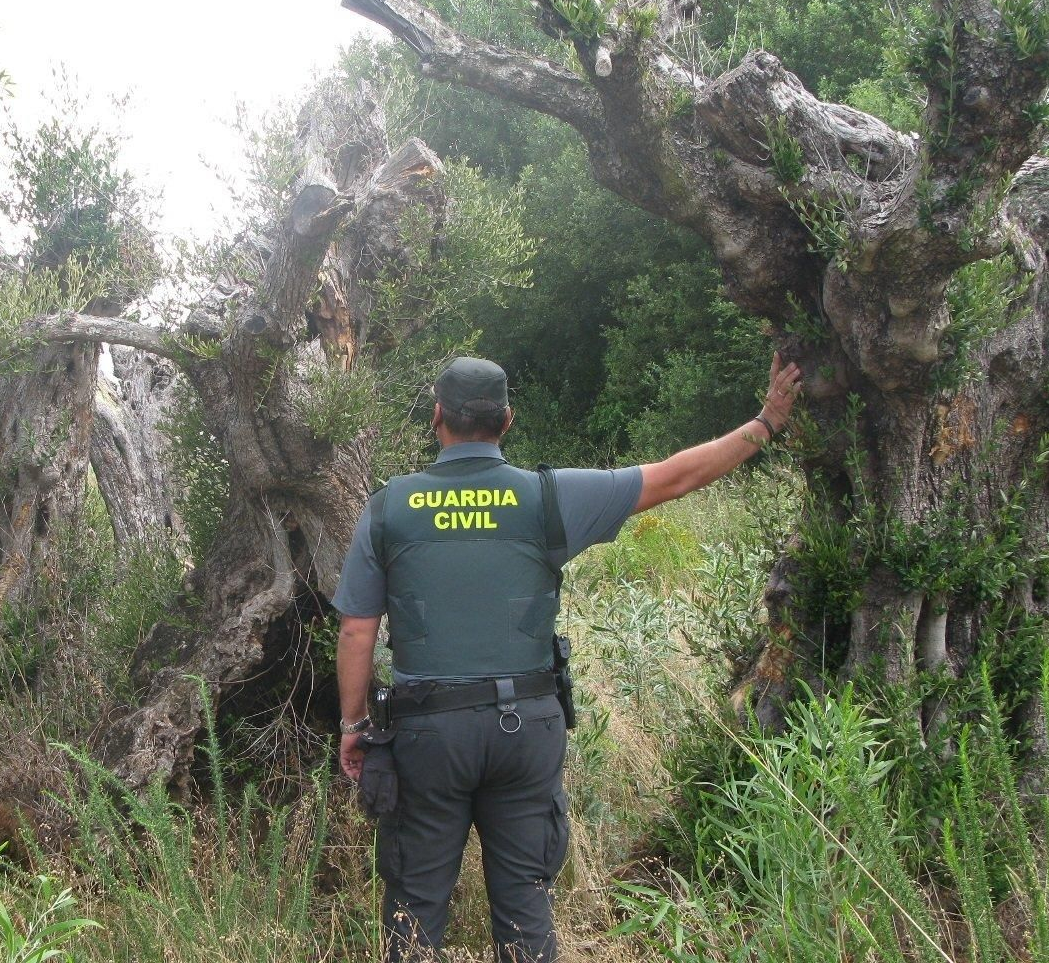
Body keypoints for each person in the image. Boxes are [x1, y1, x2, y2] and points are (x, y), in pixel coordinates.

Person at [333, 352, 802, 963]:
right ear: (508, 421)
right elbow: (675, 476)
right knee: (526, 907)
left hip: (428, 735)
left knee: (415, 911)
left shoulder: (388, 508)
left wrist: (353, 726)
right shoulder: (549, 497)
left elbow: (356, 632)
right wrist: (765, 422)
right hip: (527, 729)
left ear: (437, 417)